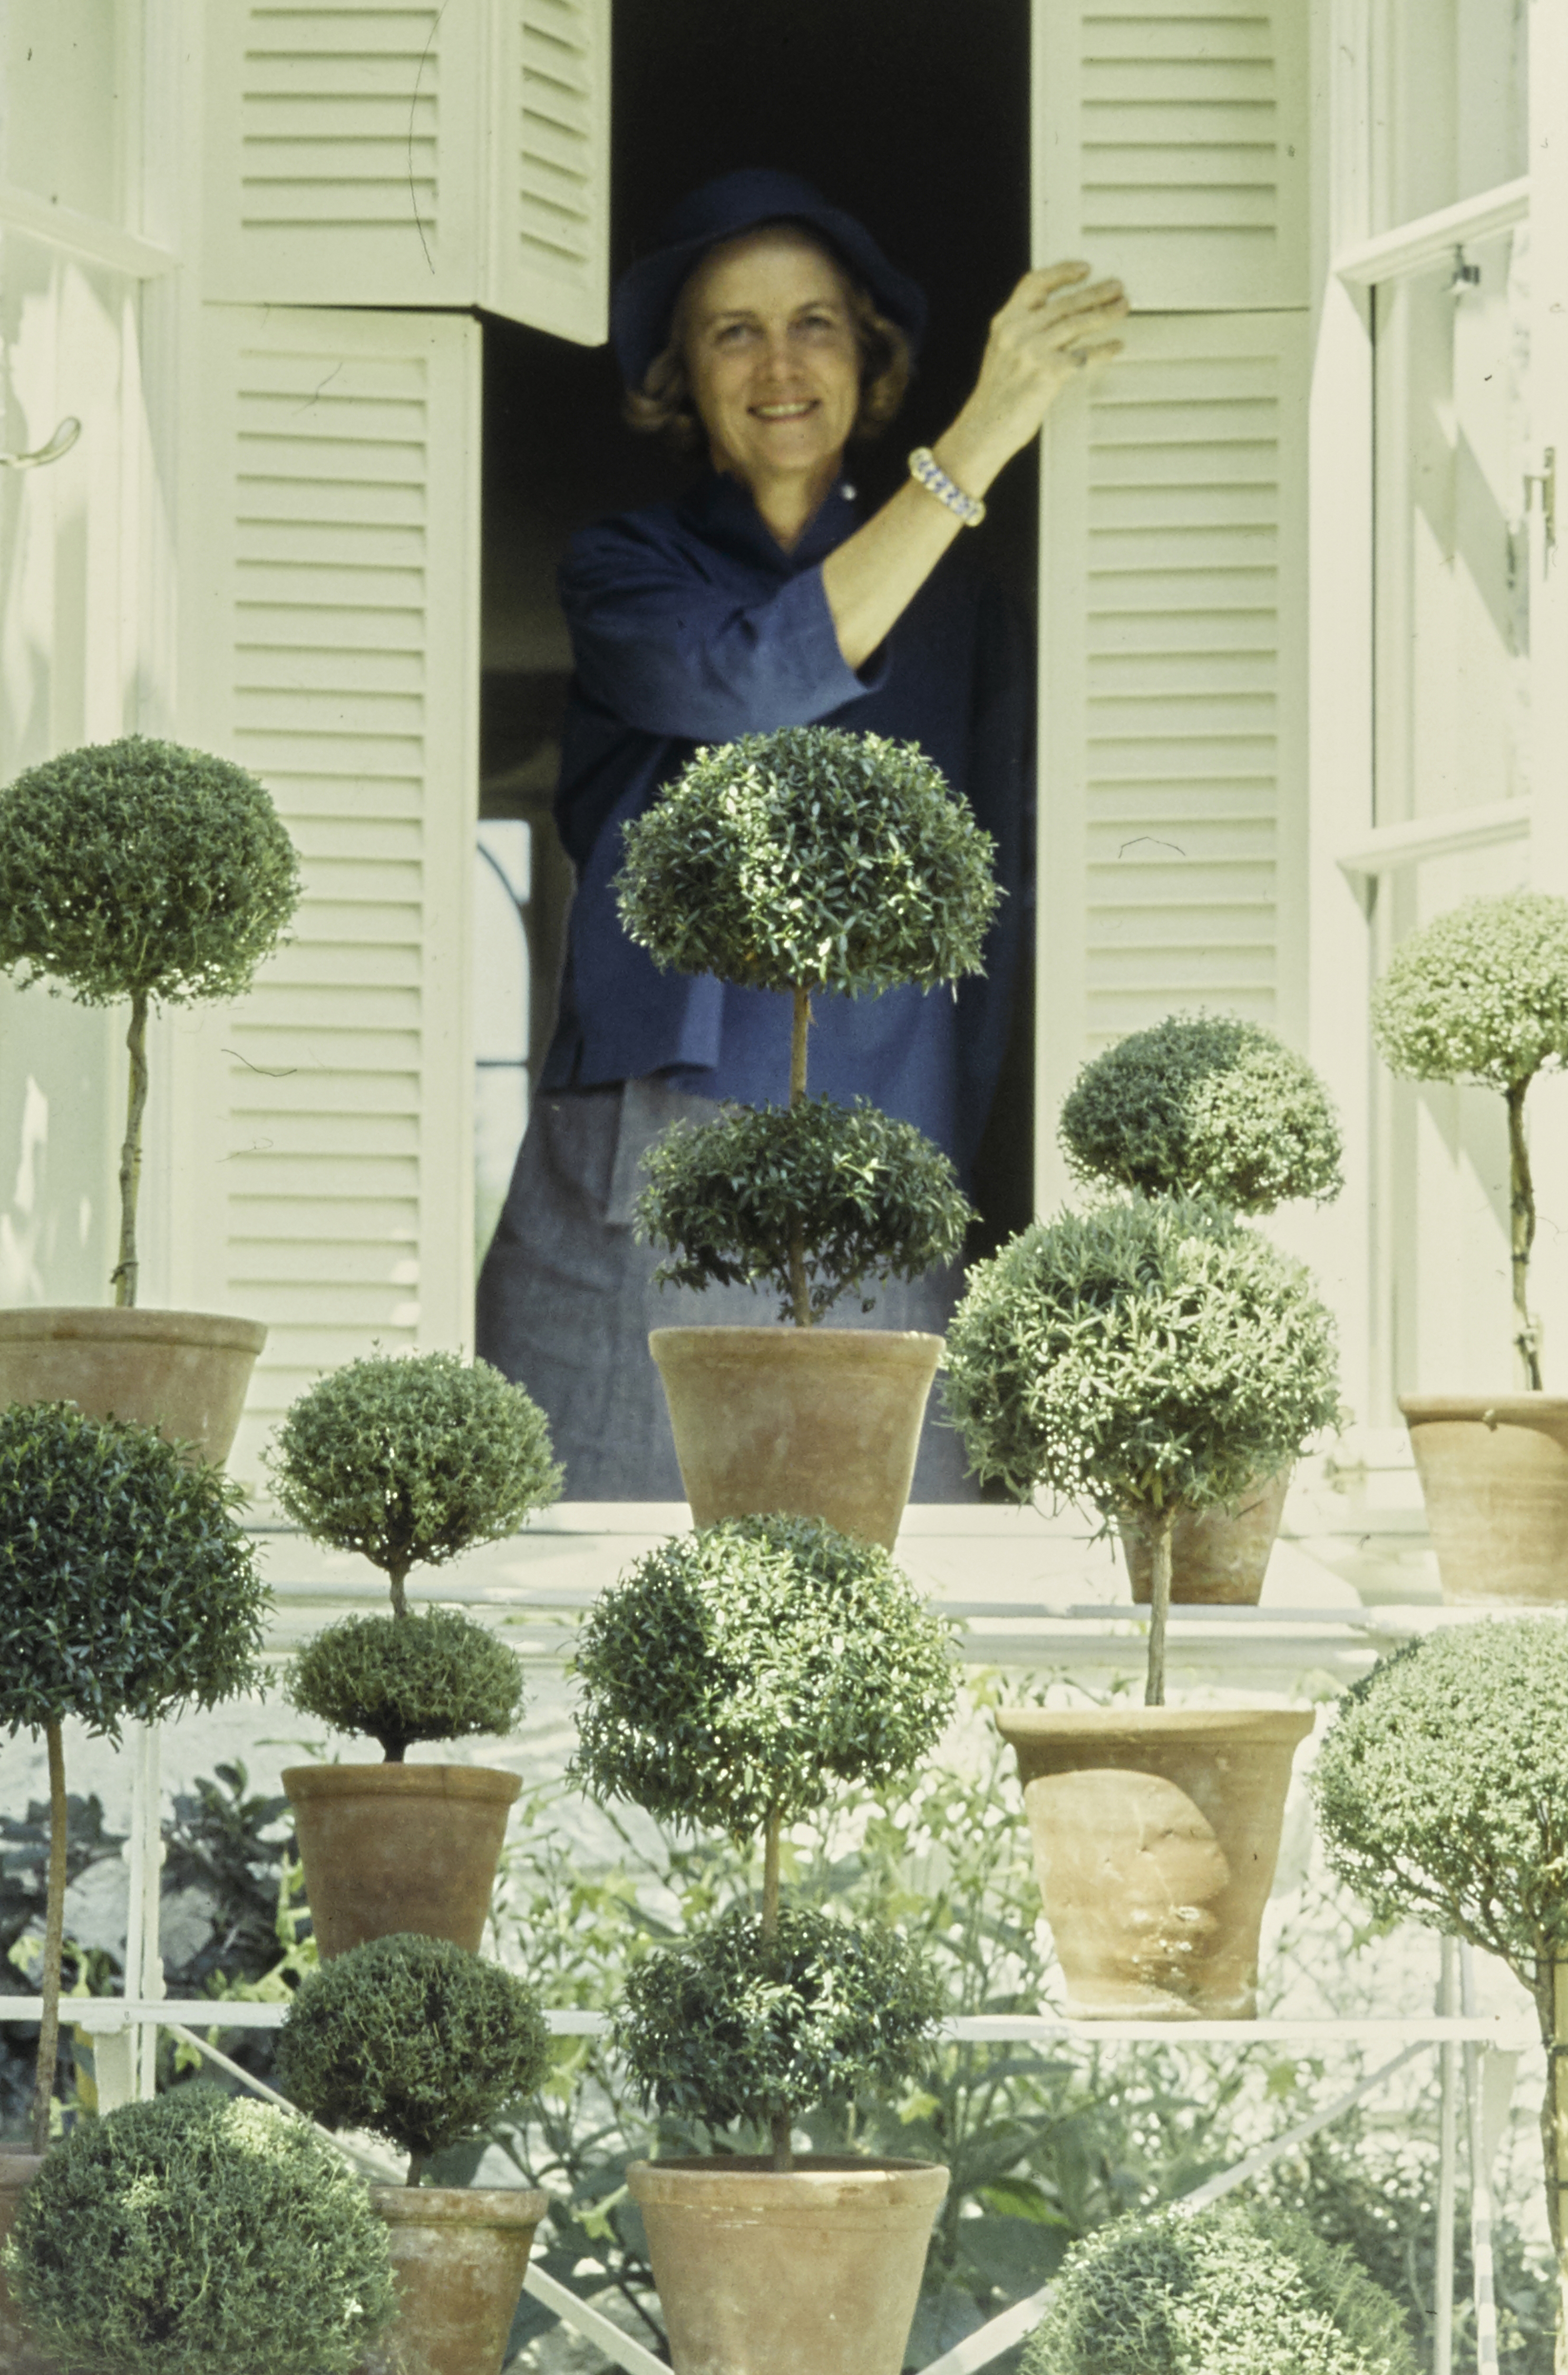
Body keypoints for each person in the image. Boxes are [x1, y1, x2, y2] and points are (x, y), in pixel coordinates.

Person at [475, 167, 1126, 1497]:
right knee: (582, 1542)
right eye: (734, 329)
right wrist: (981, 440)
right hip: (650, 1144)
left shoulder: (970, 620)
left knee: (891, 1576)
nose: (780, 364)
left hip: (886, 1136)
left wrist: (962, 1153)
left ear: (867, 357)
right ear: (684, 379)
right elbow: (754, 680)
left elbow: (1001, 919)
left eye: (815, 322)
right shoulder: (625, 570)